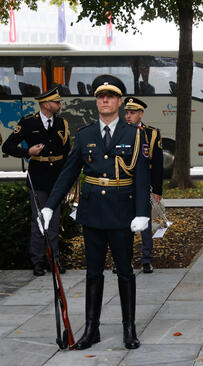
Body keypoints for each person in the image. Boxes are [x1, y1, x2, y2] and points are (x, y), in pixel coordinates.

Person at [39, 75, 150, 350]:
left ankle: (129, 329)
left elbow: (141, 176)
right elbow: (68, 173)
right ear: (96, 102)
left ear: (119, 102)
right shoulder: (85, 134)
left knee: (125, 272)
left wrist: (142, 213)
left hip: (123, 213)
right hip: (92, 213)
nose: (104, 100)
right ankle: (92, 329)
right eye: (100, 96)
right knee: (93, 273)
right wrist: (49, 207)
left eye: (110, 96)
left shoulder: (134, 134)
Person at [2, 87, 70, 276]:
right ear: (46, 105)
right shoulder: (28, 122)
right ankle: (38, 261)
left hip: (56, 179)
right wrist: (28, 153)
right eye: (56, 102)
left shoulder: (62, 123)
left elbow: (66, 153)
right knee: (39, 220)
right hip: (38, 178)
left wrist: (67, 178)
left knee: (54, 222)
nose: (59, 105)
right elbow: (7, 146)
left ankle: (54, 261)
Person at [124, 96, 163, 274]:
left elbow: (157, 164)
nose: (128, 116)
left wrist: (157, 190)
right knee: (124, 224)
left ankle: (146, 260)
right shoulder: (120, 131)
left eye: (132, 113)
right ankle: (123, 261)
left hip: (143, 183)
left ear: (141, 114)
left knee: (145, 222)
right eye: (126, 113)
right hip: (123, 183)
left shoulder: (152, 133)